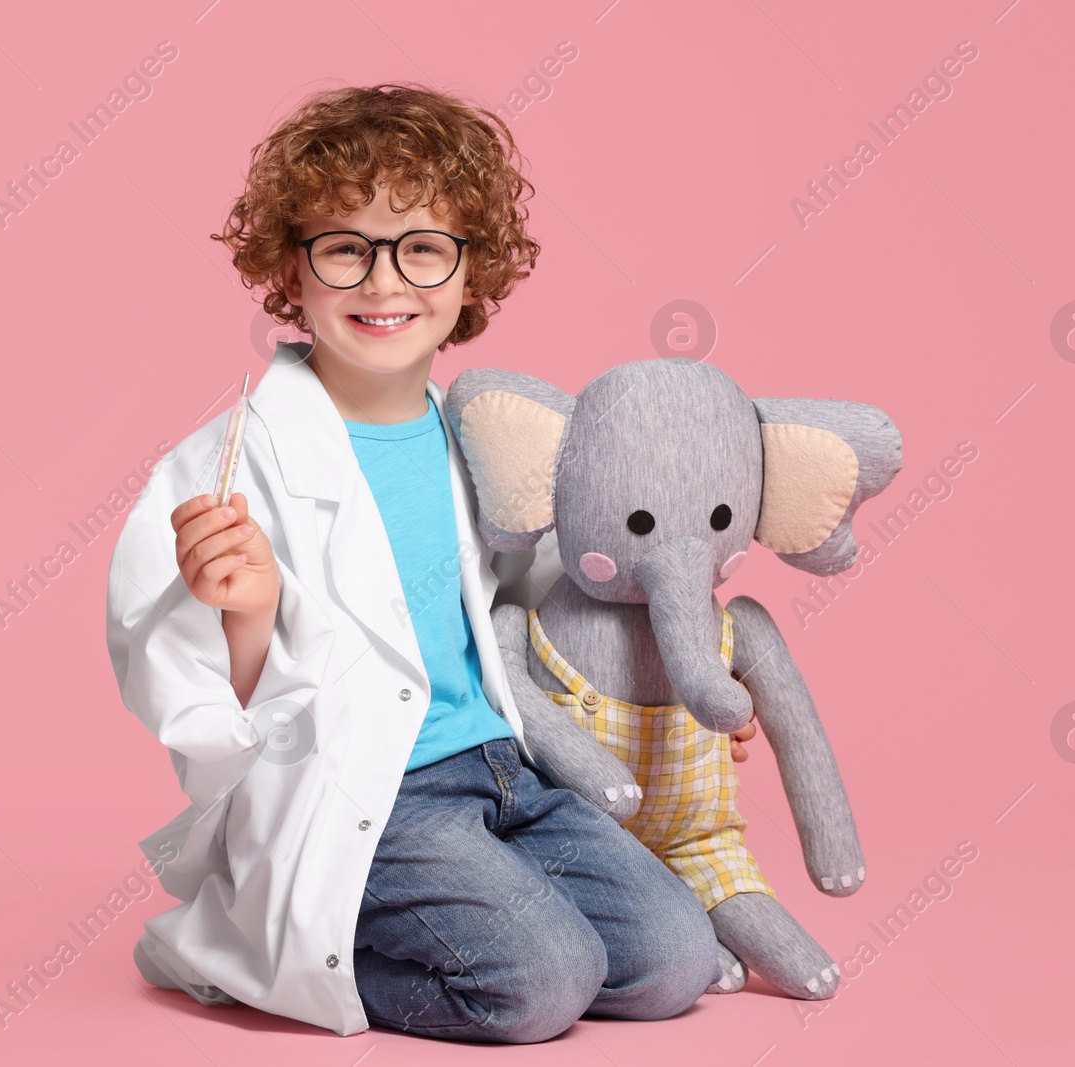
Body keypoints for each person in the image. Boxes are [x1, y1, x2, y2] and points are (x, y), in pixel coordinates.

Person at [104, 83, 720, 1043]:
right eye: (346, 247)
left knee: (673, 961)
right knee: (540, 989)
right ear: (290, 270)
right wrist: (249, 611)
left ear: (472, 272)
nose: (384, 285)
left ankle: (467, 913)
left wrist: (681, 682)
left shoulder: (478, 435)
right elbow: (183, 702)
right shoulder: (225, 465)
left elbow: (535, 607)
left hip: (507, 767)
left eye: (422, 248)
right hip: (374, 793)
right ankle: (257, 952)